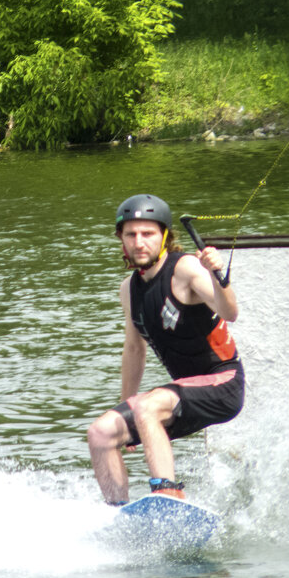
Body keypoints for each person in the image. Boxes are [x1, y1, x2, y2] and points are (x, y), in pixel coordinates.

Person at [87, 194, 244, 505]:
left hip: (223, 383)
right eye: (131, 235)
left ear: (164, 237)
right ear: (121, 240)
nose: (139, 242)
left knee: (147, 406)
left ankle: (168, 494)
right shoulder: (129, 289)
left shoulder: (185, 269)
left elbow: (230, 313)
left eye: (148, 234)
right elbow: (134, 350)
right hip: (179, 395)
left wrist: (218, 277)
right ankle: (118, 511)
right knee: (102, 432)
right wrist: (124, 409)